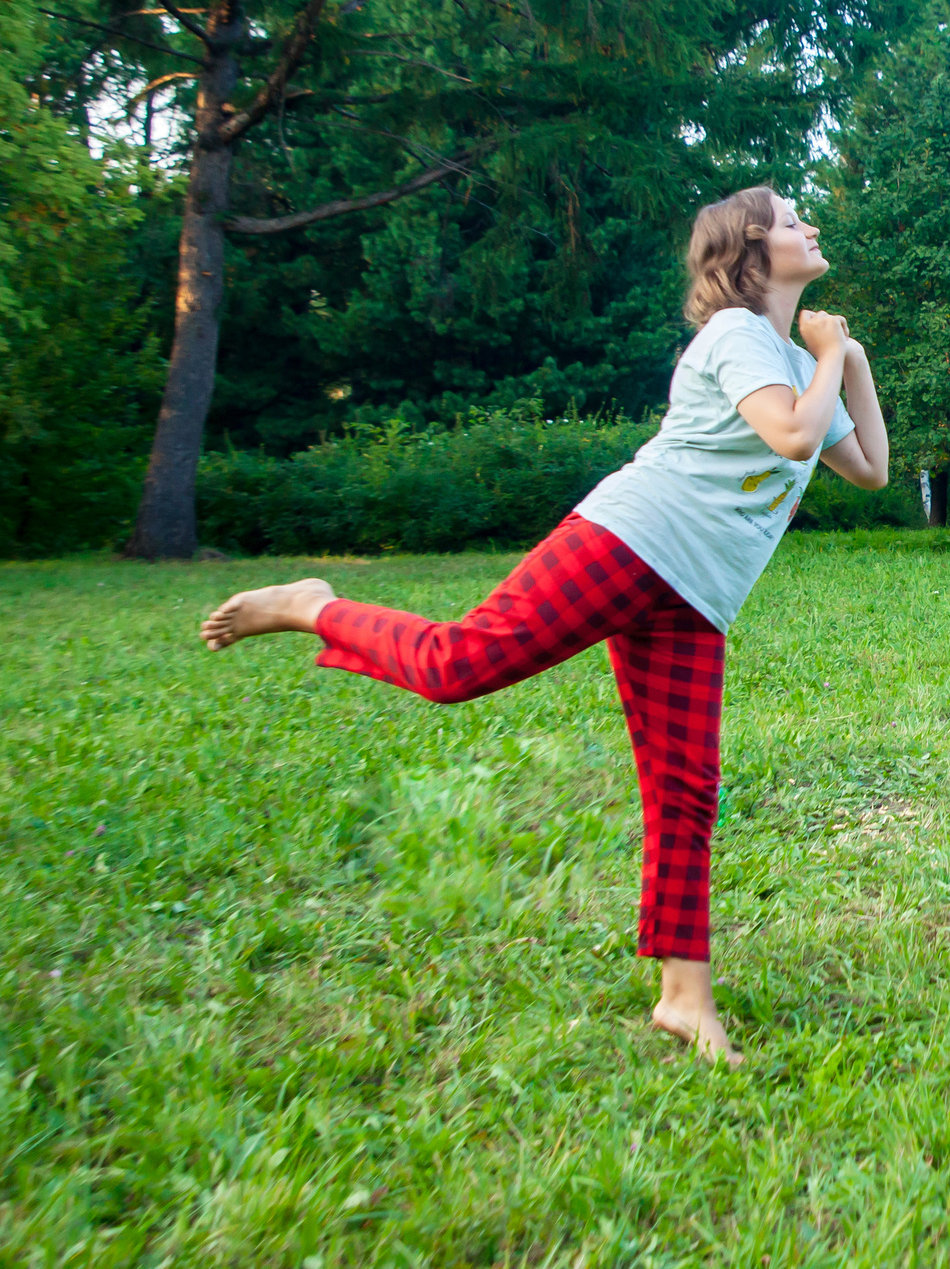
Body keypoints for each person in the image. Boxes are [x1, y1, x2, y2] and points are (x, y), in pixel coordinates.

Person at [198, 188, 890, 1063]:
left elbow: (868, 466)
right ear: (751, 250)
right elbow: (793, 437)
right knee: (459, 666)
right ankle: (313, 604)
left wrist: (849, 357)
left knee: (686, 787)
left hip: (698, 596)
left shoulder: (803, 363)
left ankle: (685, 997)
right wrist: (821, 353)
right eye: (795, 219)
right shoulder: (739, 338)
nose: (813, 226)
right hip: (629, 541)